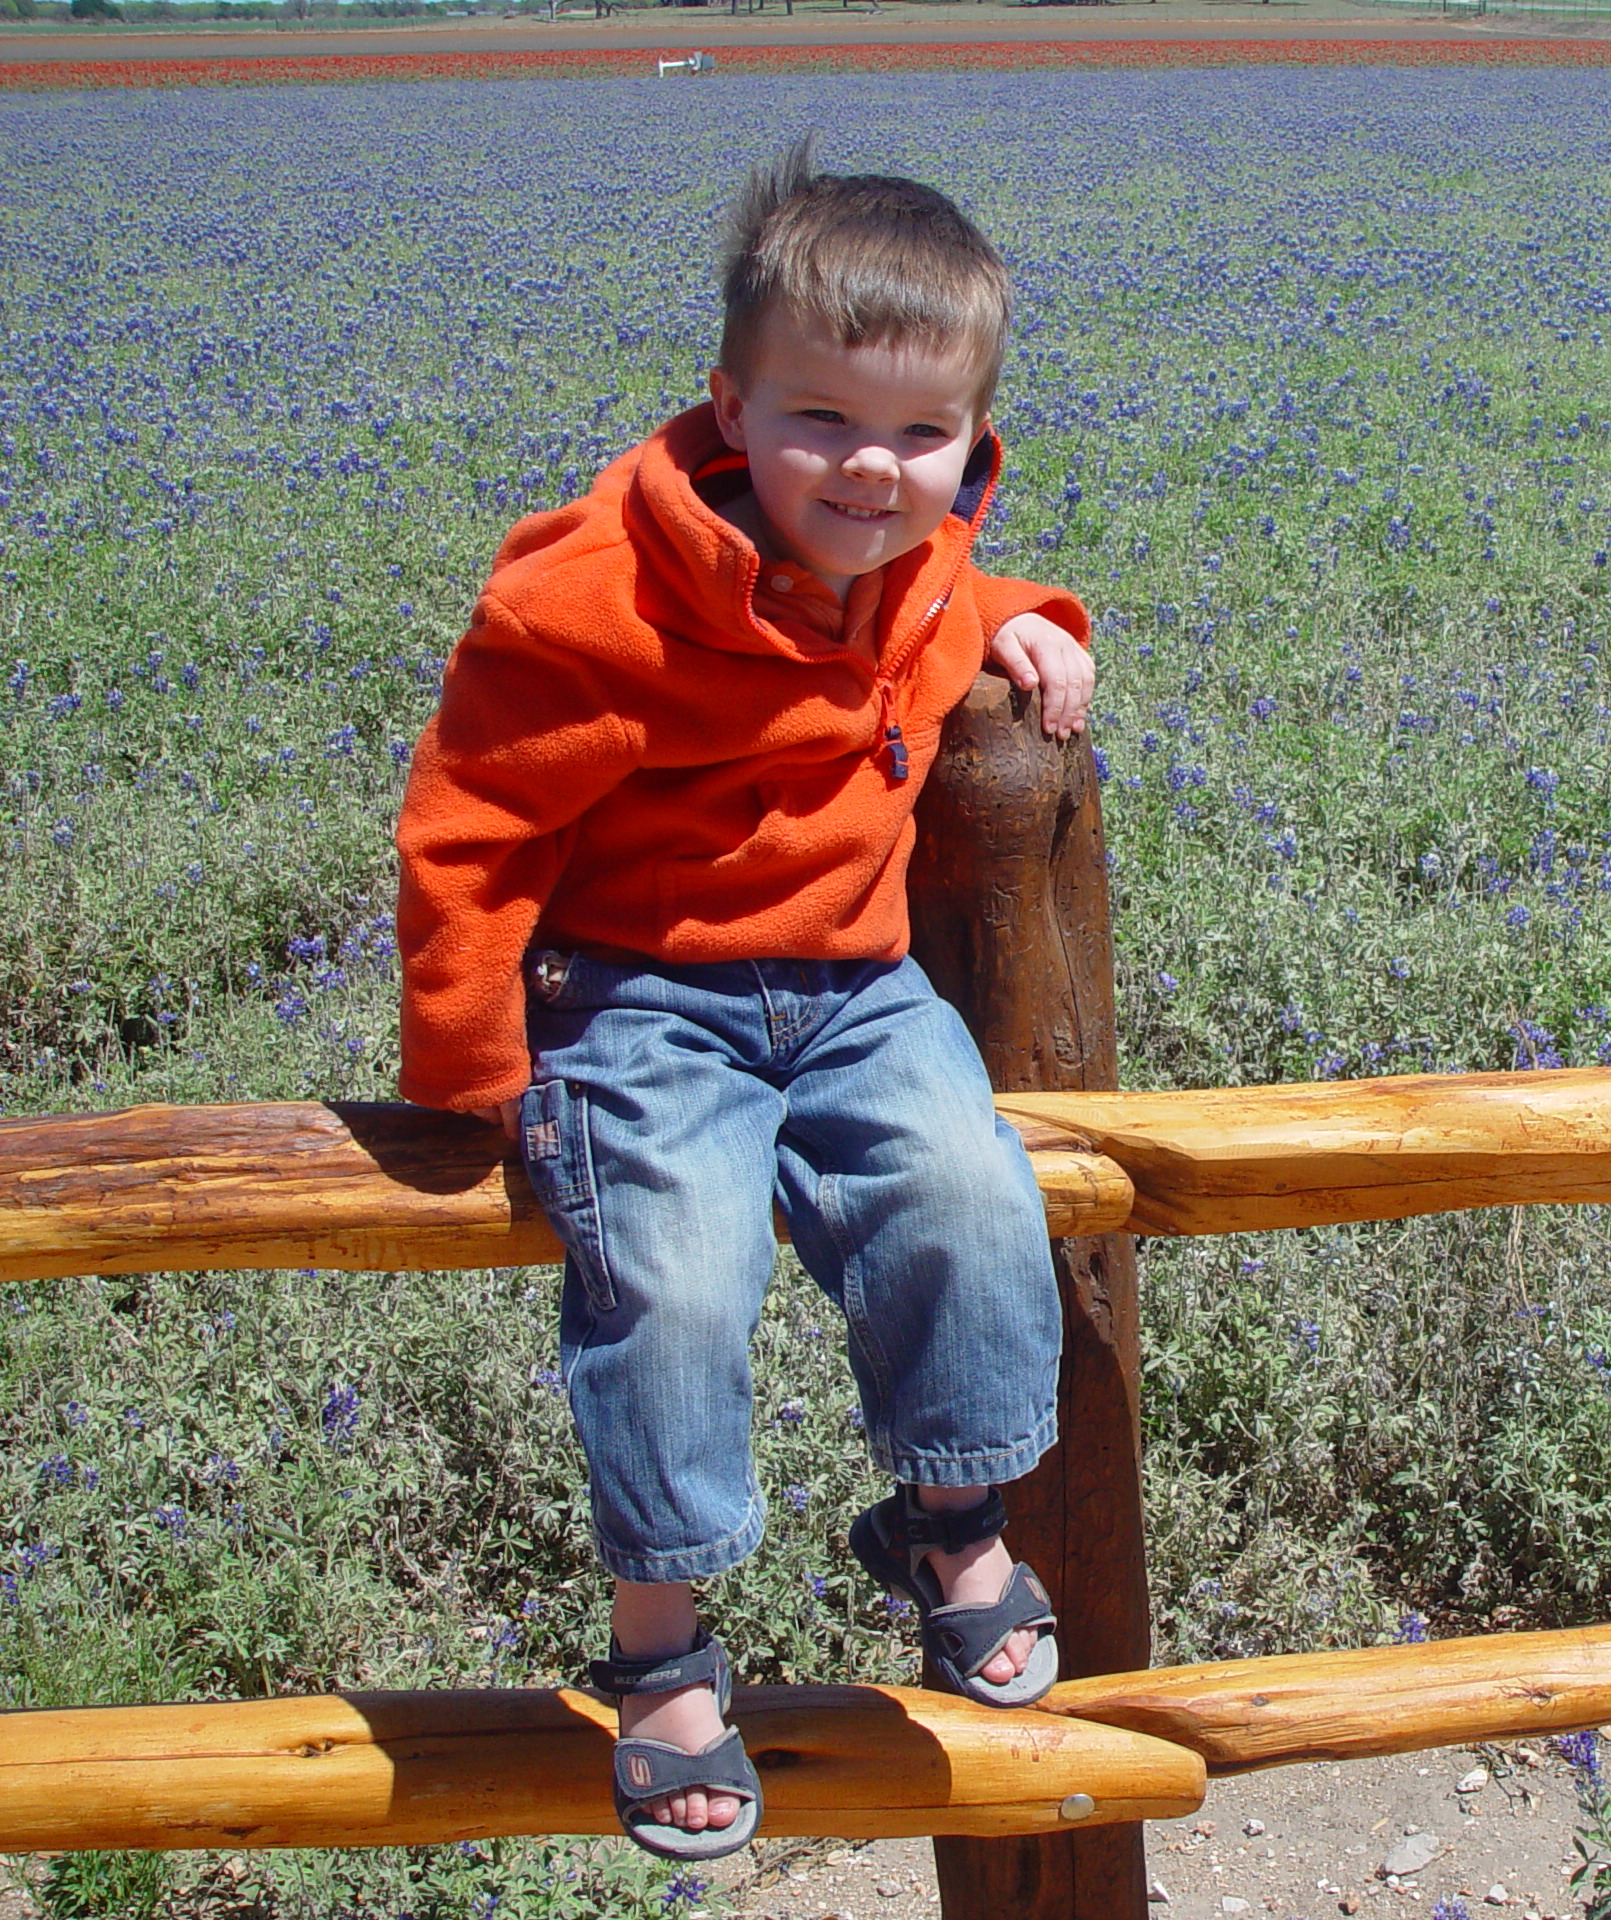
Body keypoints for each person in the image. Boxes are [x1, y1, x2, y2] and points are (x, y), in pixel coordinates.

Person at [394, 141, 1093, 1862]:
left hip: (856, 990)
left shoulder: (917, 561)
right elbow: (467, 818)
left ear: (974, 446)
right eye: (819, 422)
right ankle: (660, 1646)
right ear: (728, 406)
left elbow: (937, 596)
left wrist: (1034, 619)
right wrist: (471, 1048)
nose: (871, 468)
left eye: (921, 436)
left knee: (965, 1193)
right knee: (677, 1277)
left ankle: (948, 1521)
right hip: (640, 1000)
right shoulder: (591, 596)